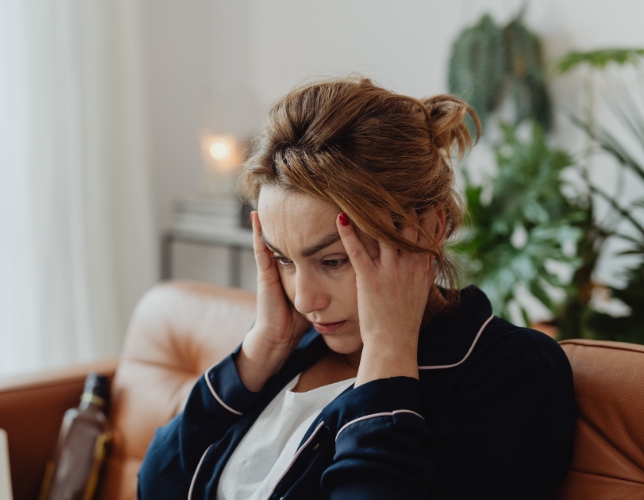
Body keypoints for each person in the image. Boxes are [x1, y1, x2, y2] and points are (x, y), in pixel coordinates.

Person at [137, 76, 576, 500]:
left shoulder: (514, 374)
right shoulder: (294, 350)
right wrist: (260, 350)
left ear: (430, 229)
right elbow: (155, 485)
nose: (306, 300)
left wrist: (389, 351)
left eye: (333, 261)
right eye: (285, 260)